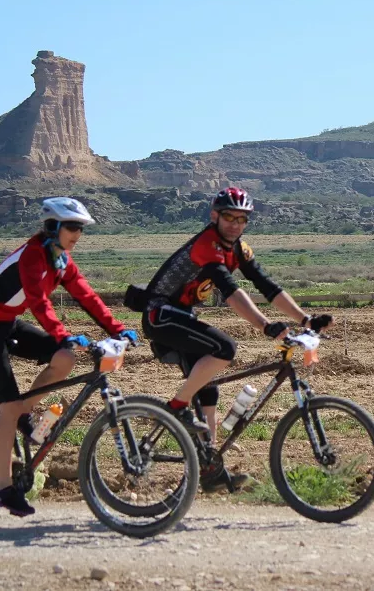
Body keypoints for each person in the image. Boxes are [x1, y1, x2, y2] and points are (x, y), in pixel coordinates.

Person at [140, 186, 332, 492]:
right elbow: (231, 292)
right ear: (214, 216)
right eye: (229, 217)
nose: (235, 224)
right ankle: (176, 407)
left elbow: (267, 286)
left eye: (242, 219)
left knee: (209, 388)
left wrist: (305, 319)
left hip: (182, 316)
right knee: (225, 348)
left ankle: (210, 469)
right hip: (160, 315)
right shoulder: (206, 246)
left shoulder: (239, 249)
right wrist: (265, 325)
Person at [0, 197, 138, 516]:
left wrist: (118, 329)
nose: (77, 234)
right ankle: (3, 488)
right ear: (53, 227)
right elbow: (39, 302)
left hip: (8, 323)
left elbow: (86, 295)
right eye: (72, 227)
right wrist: (63, 334)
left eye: (81, 229)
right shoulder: (31, 256)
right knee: (10, 407)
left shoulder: (61, 260)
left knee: (65, 359)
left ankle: (22, 416)